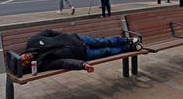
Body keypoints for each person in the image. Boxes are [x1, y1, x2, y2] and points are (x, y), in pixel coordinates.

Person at [14, 29, 143, 75]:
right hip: (83, 54)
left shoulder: (33, 41)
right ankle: (129, 47)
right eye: (24, 63)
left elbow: (48, 32)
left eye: (22, 57)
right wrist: (82, 65)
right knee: (107, 50)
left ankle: (127, 40)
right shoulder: (42, 63)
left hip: (78, 39)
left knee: (104, 41)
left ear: (21, 54)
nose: (25, 58)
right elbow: (63, 63)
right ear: (27, 66)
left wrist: (64, 36)